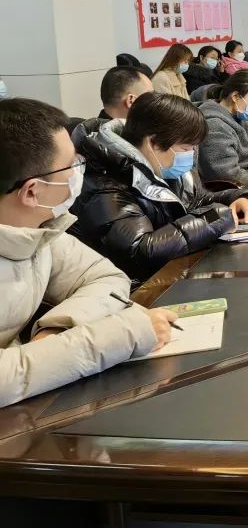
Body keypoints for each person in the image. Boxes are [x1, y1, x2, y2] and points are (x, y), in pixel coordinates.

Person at [0, 98, 177, 406]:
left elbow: (106, 276)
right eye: (71, 165)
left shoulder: (38, 230)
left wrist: (55, 333)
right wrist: (125, 334)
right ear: (32, 191)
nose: (77, 173)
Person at [71, 93, 248, 281]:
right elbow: (140, 250)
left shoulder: (164, 167)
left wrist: (237, 198)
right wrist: (214, 217)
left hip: (173, 272)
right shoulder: (105, 183)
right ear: (152, 143)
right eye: (185, 149)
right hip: (140, 287)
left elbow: (196, 200)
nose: (191, 154)